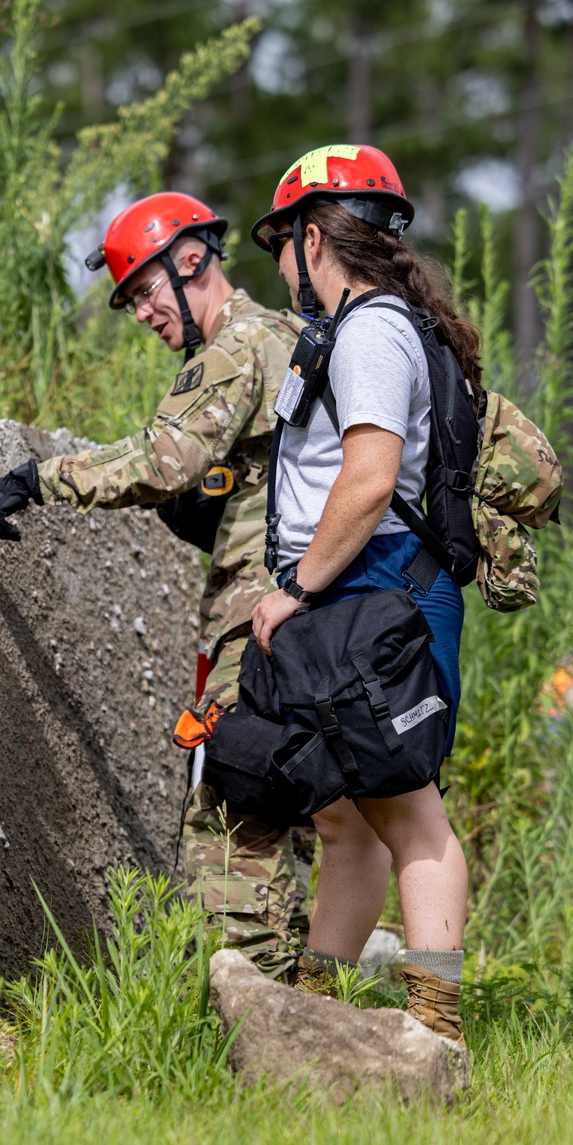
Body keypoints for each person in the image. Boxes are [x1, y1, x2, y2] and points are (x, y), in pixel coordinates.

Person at [0, 192, 315, 980]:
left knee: (231, 817)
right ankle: (309, 1004)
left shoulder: (233, 350)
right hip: (315, 611)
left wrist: (35, 478)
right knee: (284, 815)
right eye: (129, 300)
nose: (139, 313)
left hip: (260, 619)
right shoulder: (295, 337)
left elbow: (162, 462)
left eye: (144, 291)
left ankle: (256, 1024)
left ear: (192, 259)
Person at [249, 143, 473, 1043]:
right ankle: (321, 1004)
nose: (281, 267)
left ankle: (435, 1026)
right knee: (346, 817)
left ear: (313, 238)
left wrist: (294, 589)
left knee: (408, 810)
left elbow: (371, 477)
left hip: (373, 582)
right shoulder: (368, 325)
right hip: (362, 582)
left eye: (280, 246)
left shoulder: (373, 329)